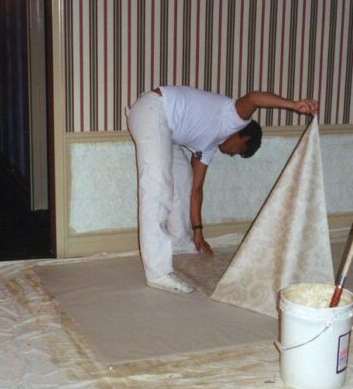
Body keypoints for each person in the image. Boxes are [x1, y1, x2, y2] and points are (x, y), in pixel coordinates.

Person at [127, 86, 318, 294]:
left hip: (167, 128)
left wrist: (198, 231)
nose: (233, 155)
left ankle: (179, 242)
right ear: (242, 137)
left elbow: (196, 190)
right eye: (239, 151)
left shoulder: (208, 146)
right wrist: (293, 105)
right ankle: (157, 271)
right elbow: (254, 98)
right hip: (153, 110)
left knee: (184, 181)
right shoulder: (233, 119)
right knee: (157, 187)